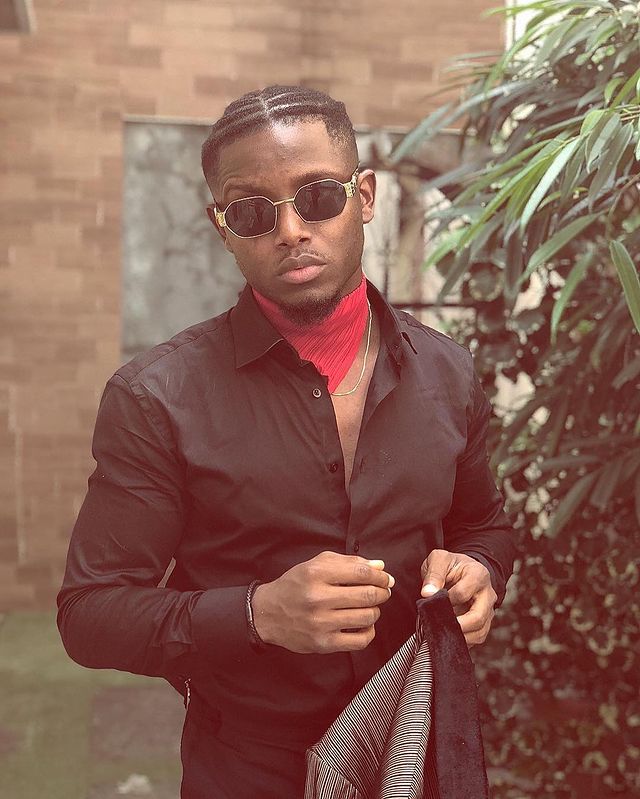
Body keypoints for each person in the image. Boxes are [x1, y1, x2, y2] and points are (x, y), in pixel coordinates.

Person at [57, 84, 517, 798]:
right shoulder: (157, 397)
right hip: (249, 766)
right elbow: (90, 613)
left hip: (416, 749)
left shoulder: (447, 373)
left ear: (365, 196)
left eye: (319, 197)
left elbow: (483, 525)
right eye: (252, 211)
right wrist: (255, 614)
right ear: (222, 227)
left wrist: (480, 570)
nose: (291, 229)